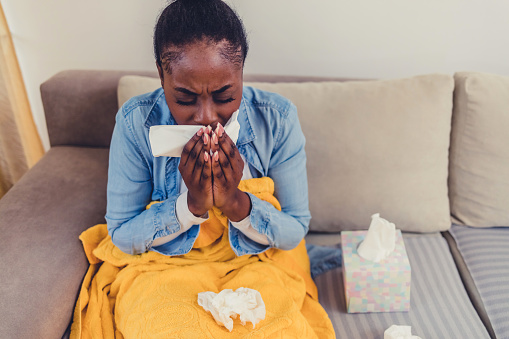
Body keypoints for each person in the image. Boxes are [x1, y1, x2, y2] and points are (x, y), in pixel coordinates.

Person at [105, 0, 311, 258]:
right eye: (185, 99)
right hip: (169, 264)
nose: (206, 118)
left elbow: (295, 230)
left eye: (224, 97)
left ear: (241, 73)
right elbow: (122, 234)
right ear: (161, 74)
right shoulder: (135, 123)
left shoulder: (277, 120)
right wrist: (191, 206)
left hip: (256, 260)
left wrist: (234, 201)